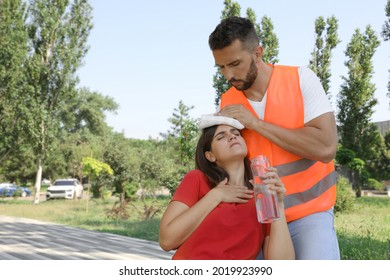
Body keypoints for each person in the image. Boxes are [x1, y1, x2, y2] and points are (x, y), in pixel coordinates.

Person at [208, 16, 340, 260]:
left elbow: (326, 147)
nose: (228, 75)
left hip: (310, 213)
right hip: (258, 218)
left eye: (235, 63)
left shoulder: (301, 79)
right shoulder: (227, 101)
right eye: (222, 67)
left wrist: (255, 124)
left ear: (258, 53)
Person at [159, 115, 294, 260]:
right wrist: (216, 195)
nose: (232, 137)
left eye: (236, 133)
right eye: (221, 137)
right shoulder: (197, 179)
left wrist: (278, 204)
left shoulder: (261, 198)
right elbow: (167, 241)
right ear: (210, 155)